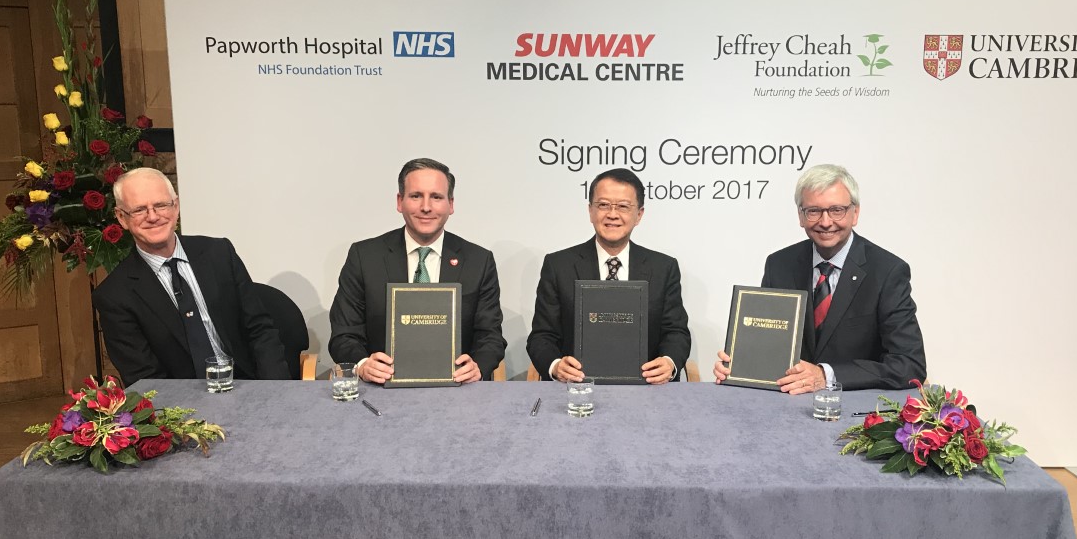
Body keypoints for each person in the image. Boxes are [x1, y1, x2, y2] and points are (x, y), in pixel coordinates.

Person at [714, 163, 926, 392]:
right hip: (785, 407)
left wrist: (826, 375)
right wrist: (740, 364)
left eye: (837, 210)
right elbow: (771, 344)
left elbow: (909, 364)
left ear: (855, 213)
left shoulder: (887, 271)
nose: (825, 222)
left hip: (854, 411)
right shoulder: (779, 264)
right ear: (801, 216)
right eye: (814, 211)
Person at [94, 167, 290, 386]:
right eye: (139, 209)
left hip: (249, 388)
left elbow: (260, 329)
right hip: (183, 409)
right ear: (122, 218)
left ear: (175, 206)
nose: (153, 216)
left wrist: (274, 392)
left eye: (161, 205)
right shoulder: (114, 295)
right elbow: (145, 379)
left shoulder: (219, 253)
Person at [328, 157, 506, 383]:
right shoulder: (364, 257)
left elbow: (490, 336)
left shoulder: (479, 261)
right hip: (380, 390)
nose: (426, 207)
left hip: (458, 391)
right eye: (415, 196)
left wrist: (477, 365)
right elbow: (344, 334)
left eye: (436, 197)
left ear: (450, 204)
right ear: (400, 201)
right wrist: (363, 365)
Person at [528, 168, 691, 384]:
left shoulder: (664, 268)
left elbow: (676, 332)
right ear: (590, 211)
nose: (612, 214)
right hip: (577, 390)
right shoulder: (558, 265)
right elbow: (541, 336)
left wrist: (668, 363)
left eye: (623, 206)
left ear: (639, 215)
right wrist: (556, 366)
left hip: (647, 390)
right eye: (603, 205)